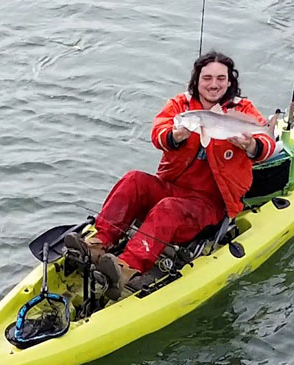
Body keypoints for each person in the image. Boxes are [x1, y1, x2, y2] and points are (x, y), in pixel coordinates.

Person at [65, 51, 276, 300]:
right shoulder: (181, 105)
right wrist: (174, 137)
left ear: (230, 81)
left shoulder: (243, 109)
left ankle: (124, 269)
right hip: (172, 187)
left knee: (169, 208)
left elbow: (267, 144)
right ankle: (97, 244)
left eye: (221, 78)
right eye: (207, 77)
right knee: (133, 179)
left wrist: (251, 146)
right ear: (197, 80)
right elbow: (158, 131)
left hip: (210, 203)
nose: (214, 84)